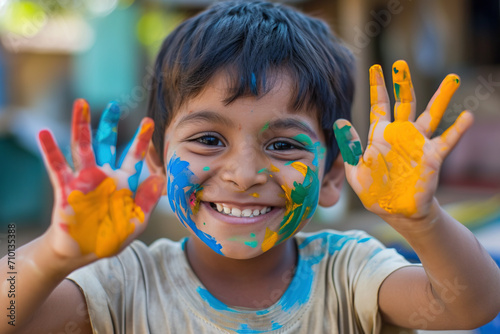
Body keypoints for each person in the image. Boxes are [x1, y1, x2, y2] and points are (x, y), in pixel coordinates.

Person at [2, 1, 500, 333]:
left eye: (284, 146)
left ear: (331, 176)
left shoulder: (349, 270)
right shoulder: (127, 282)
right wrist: (55, 254)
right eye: (208, 139)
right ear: (155, 162)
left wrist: (423, 220)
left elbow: (470, 306)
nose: (243, 174)